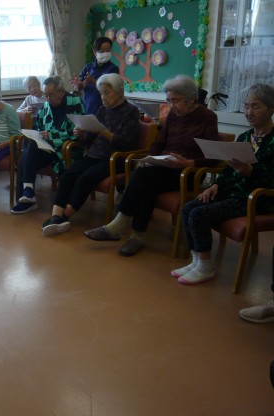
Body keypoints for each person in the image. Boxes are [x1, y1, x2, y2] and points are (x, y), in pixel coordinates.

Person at [84, 75, 219, 256]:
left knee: (143, 179)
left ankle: (122, 227)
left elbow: (213, 157)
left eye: (175, 101)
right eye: (169, 101)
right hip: (165, 166)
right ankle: (136, 236)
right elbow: (159, 142)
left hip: (189, 172)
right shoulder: (172, 115)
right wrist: (149, 158)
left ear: (191, 99)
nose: (171, 106)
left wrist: (188, 162)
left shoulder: (208, 117)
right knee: (145, 179)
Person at [171, 83, 274, 285]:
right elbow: (228, 169)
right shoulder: (245, 136)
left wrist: (252, 172)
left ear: (271, 109)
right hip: (234, 192)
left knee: (199, 214)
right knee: (188, 208)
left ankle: (206, 267)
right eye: (246, 106)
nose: (249, 112)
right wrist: (215, 186)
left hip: (258, 198)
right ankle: (196, 261)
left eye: (255, 106)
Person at [41, 74, 139, 236]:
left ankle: (64, 218)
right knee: (68, 175)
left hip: (116, 158)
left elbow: (126, 143)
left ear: (120, 92)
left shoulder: (131, 112)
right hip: (95, 154)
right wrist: (82, 134)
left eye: (107, 93)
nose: (103, 97)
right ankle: (55, 216)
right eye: (101, 93)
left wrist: (104, 132)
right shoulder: (102, 110)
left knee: (85, 179)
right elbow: (89, 138)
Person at [10, 75, 85, 214]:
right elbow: (39, 125)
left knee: (28, 156)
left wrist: (51, 135)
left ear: (61, 92)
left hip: (66, 149)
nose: (47, 98)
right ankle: (28, 194)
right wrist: (36, 134)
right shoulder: (46, 105)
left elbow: (78, 132)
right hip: (49, 148)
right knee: (29, 149)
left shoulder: (74, 101)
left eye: (51, 94)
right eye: (46, 95)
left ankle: (29, 195)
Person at [73, 37, 119, 115]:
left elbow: (111, 89)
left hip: (105, 110)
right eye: (102, 51)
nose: (105, 53)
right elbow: (80, 87)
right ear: (95, 52)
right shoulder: (88, 67)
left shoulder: (113, 69)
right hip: (88, 107)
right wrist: (78, 85)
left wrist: (93, 81)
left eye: (108, 50)